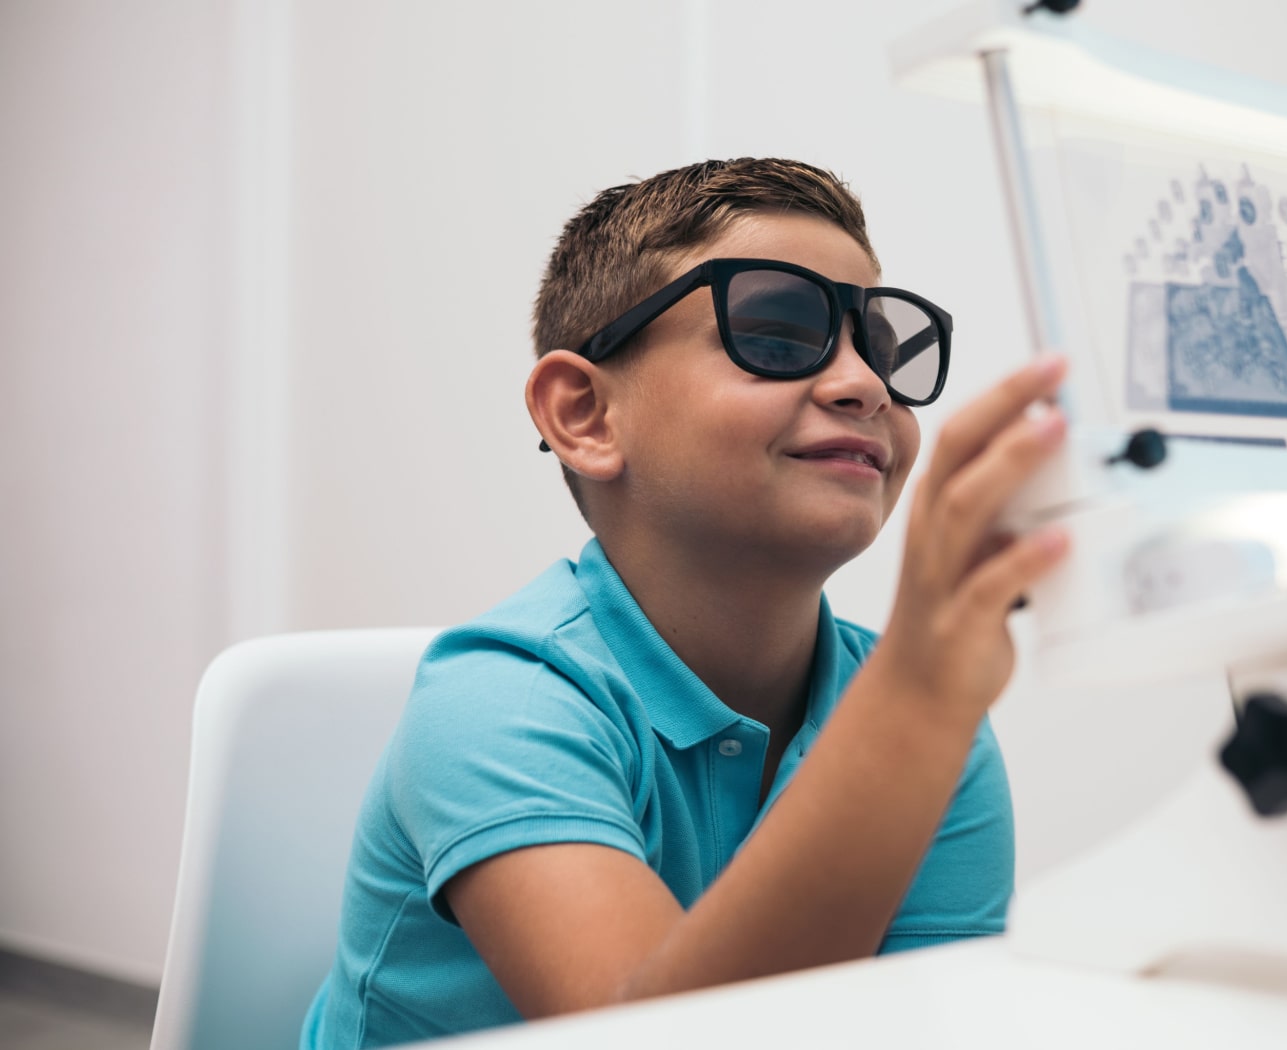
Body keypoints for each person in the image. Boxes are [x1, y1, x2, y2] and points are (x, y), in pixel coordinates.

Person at [300, 157, 1069, 1048]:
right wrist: (920, 695)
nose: (865, 384)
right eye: (777, 336)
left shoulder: (931, 725)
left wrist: (923, 702)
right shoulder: (497, 703)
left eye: (886, 352)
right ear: (584, 414)